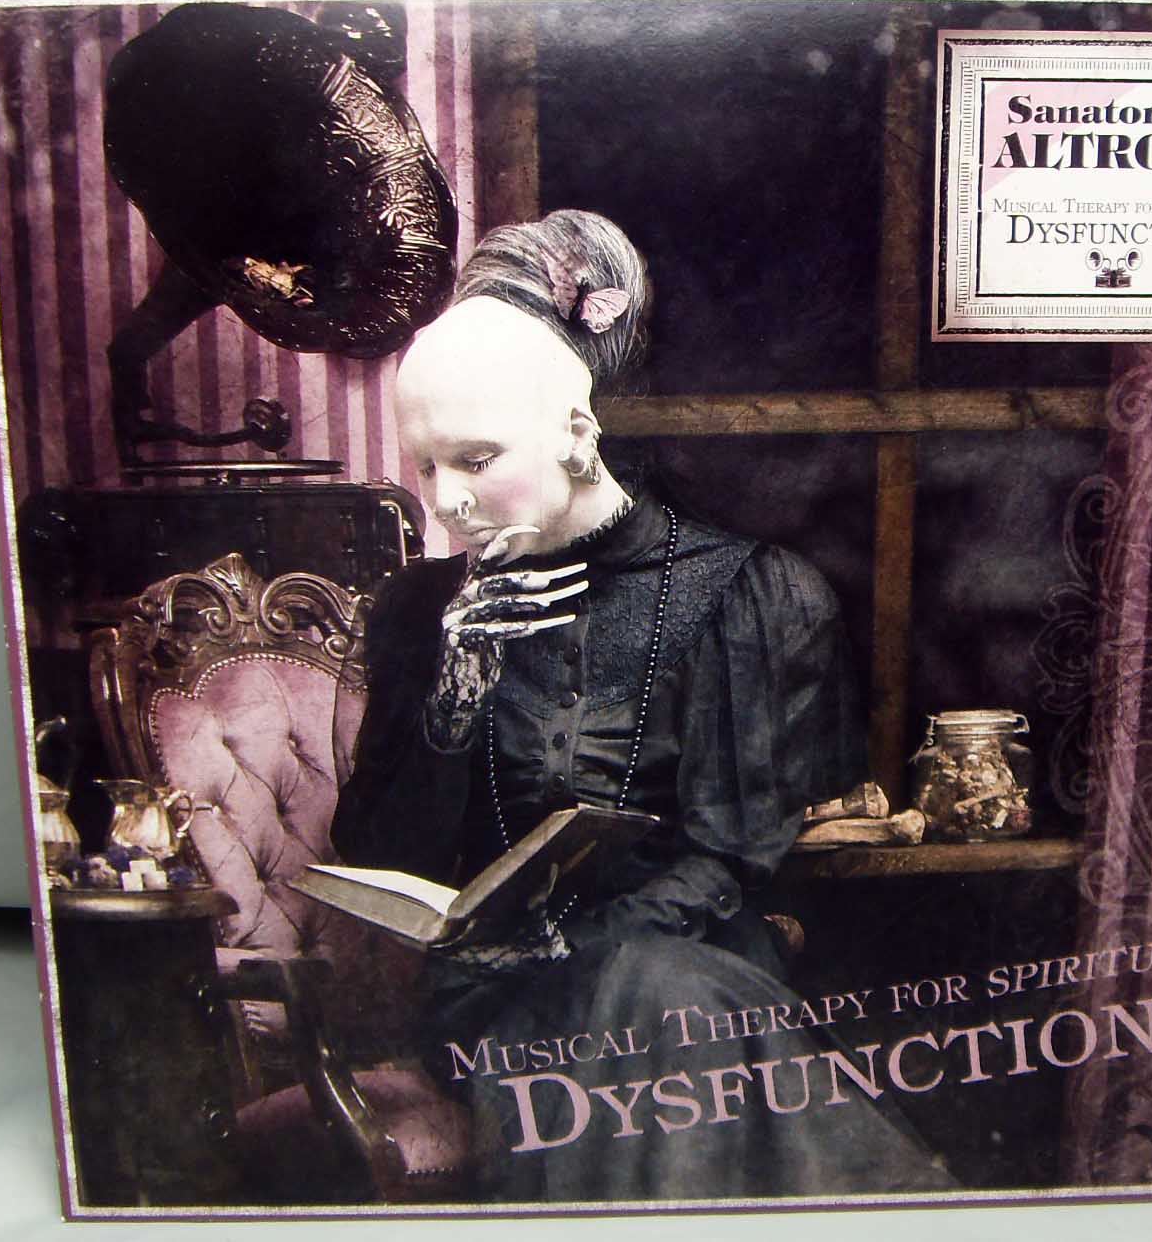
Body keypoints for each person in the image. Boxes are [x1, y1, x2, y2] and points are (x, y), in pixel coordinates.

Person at [332, 210, 951, 1202]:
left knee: (657, 989)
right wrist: (455, 693)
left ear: (579, 434)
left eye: (477, 460)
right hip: (500, 1001)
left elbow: (729, 857)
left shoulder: (748, 593)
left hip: (689, 963)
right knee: (663, 1007)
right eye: (427, 466)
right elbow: (378, 864)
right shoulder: (422, 612)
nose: (446, 501)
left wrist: (573, 941)